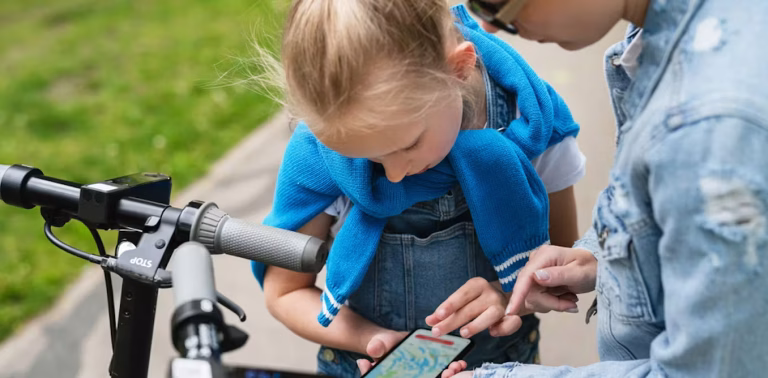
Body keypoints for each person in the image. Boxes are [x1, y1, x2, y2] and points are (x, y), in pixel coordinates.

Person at [361, 0, 768, 376]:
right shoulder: (663, 46)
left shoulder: (710, 125)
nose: (490, 25)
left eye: (500, 1)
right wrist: (597, 259)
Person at [251, 1, 589, 376]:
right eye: (369, 159)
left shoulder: (534, 124)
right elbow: (285, 291)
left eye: (409, 145)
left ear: (459, 68)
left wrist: (506, 294)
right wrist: (373, 339)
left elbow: (563, 262)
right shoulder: (319, 154)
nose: (395, 176)